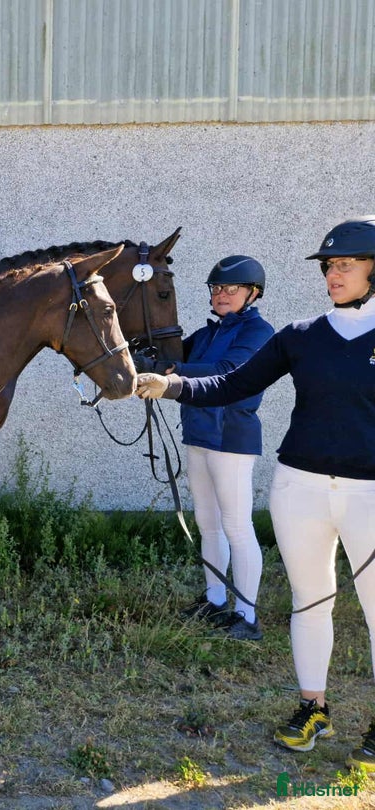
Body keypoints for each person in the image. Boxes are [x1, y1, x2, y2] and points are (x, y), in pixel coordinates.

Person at [136, 217, 375, 771]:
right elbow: (231, 382)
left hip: (369, 491)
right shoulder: (300, 335)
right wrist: (168, 384)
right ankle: (312, 707)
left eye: (345, 265)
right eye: (328, 266)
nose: (333, 275)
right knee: (311, 602)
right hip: (301, 486)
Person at [138, 256, 274, 640]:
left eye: (230, 289)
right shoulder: (205, 333)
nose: (221, 295)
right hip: (197, 435)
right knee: (208, 525)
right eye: (216, 289)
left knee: (237, 527)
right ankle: (216, 599)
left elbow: (229, 371)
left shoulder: (259, 333)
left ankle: (247, 616)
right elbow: (172, 358)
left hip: (231, 438)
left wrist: (170, 375)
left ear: (253, 293)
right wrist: (142, 361)